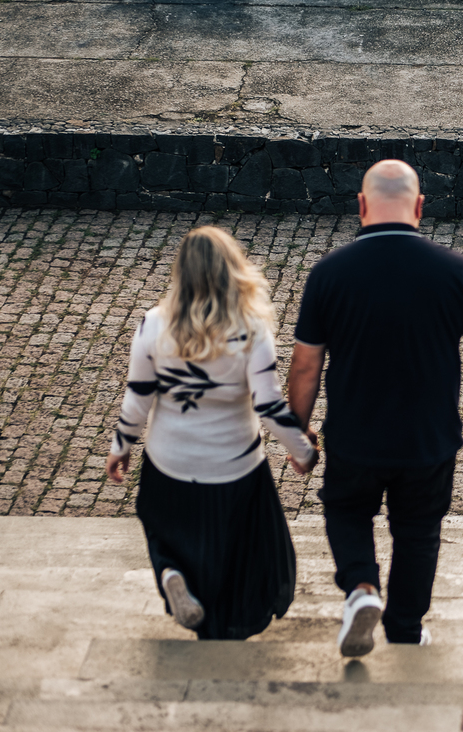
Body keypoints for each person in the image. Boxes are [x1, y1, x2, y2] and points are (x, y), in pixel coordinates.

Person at [288, 159, 463, 658]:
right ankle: (406, 629)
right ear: (420, 207)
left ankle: (362, 589)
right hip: (428, 441)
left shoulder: (328, 274)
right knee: (418, 532)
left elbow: (304, 369)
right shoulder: (456, 272)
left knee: (346, 511)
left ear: (362, 206)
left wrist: (298, 436)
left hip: (353, 435)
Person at [106, 226, 318, 640]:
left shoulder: (152, 324)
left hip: (169, 463)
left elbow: (138, 399)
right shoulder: (251, 329)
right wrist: (303, 450)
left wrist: (121, 446)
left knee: (163, 526)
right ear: (232, 270)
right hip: (235, 469)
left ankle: (171, 571)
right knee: (246, 553)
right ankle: (227, 627)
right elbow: (270, 406)